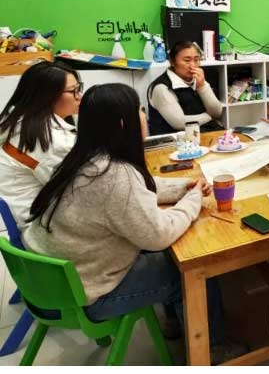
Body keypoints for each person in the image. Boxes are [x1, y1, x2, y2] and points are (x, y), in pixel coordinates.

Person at [23, 83, 241, 364]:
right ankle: (211, 349)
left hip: (46, 283)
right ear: (124, 123)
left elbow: (137, 190)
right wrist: (193, 200)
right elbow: (159, 233)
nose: (144, 116)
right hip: (84, 294)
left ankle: (175, 322)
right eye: (139, 110)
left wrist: (183, 187)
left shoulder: (82, 158)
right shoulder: (114, 175)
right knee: (191, 269)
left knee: (166, 254)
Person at [0, 61, 82, 232]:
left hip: (22, 218)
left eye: (79, 88)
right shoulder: (51, 141)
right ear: (48, 96)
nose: (79, 96)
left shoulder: (20, 120)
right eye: (73, 91)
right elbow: (80, 191)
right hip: (37, 228)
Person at [147, 41, 223, 135]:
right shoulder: (162, 87)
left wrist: (202, 86)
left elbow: (217, 112)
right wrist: (209, 116)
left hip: (204, 132)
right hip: (175, 139)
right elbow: (179, 123)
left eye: (196, 60)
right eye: (187, 60)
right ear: (172, 62)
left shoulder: (198, 79)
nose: (193, 65)